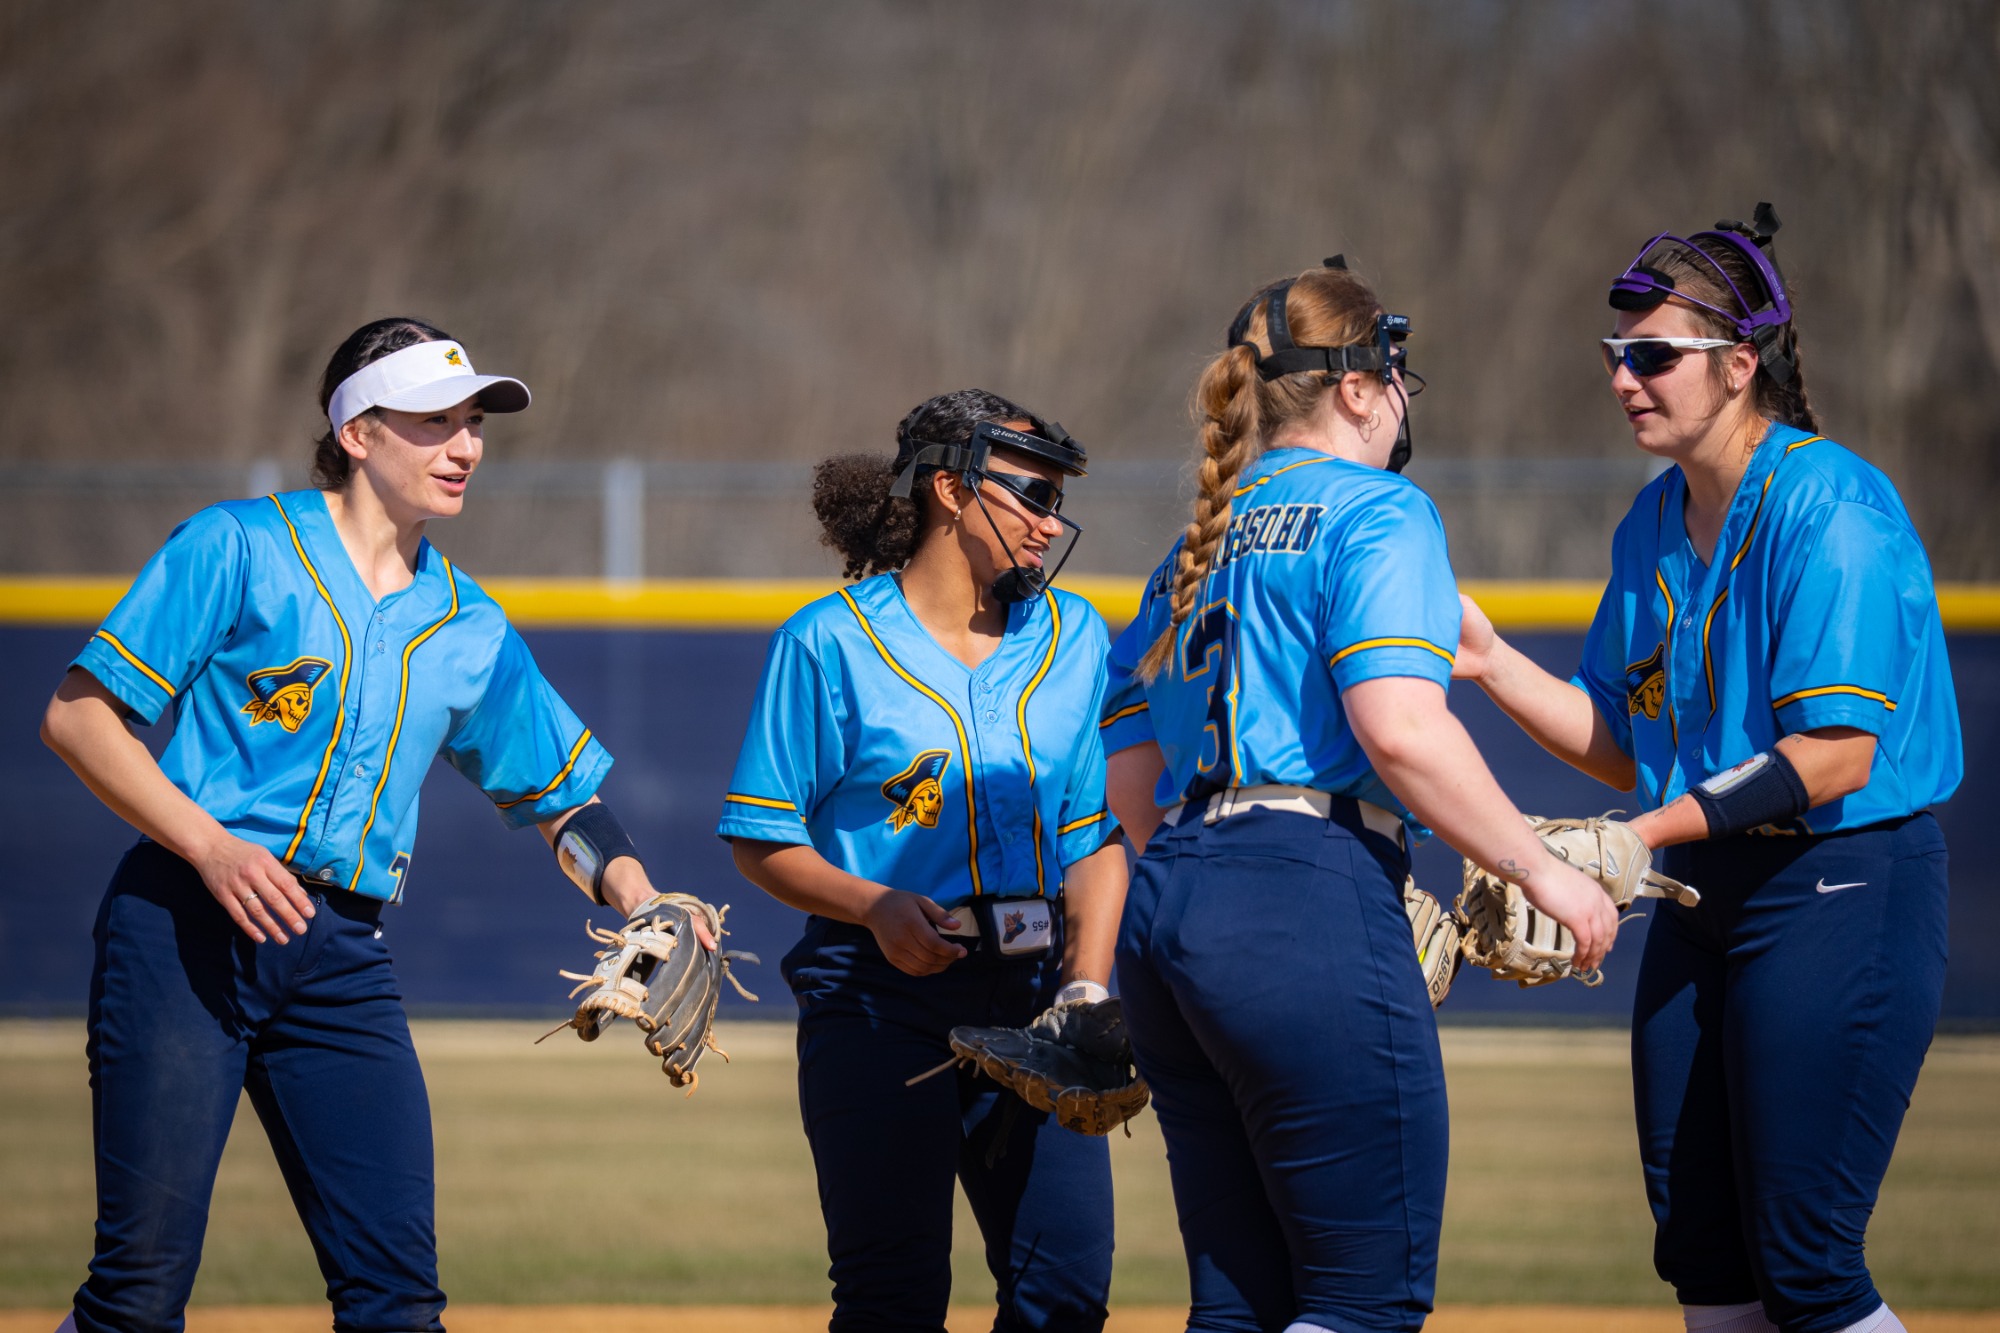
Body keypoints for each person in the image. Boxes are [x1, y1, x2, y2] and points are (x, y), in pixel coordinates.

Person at [40, 317, 691, 1333]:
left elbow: (559, 794)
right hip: (182, 925)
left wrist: (639, 896)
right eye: (434, 422)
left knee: (397, 1300)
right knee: (139, 1291)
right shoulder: (240, 546)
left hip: (336, 952)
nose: (465, 446)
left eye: (472, 423)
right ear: (357, 431)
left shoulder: (469, 623)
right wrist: (208, 842)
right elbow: (79, 716)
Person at [1452, 208, 1960, 1333]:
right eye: (1614, 357)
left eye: (1653, 356)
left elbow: (1832, 757)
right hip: (1703, 896)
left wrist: (1641, 835)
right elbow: (1618, 737)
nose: (1626, 378)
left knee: (1805, 1256)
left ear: (1739, 366)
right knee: (1702, 1250)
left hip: (1839, 882)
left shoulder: (1828, 504)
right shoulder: (1652, 522)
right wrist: (1485, 658)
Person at [1097, 261, 1619, 1333]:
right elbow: (1398, 730)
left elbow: (1128, 785)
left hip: (1170, 912)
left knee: (1238, 1306)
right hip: (1300, 889)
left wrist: (1218, 903)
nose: (1400, 397)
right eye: (1396, 373)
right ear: (1353, 386)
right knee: (1363, 1300)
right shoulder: (1378, 512)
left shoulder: (1178, 556)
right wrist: (1544, 869)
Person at [719, 389, 1128, 1332]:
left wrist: (1088, 988)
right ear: (951, 488)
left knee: (1065, 1296)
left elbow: (1095, 839)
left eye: (1057, 497)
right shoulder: (828, 641)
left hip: (1035, 998)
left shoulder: (1075, 638)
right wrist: (872, 905)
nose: (1050, 519)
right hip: (876, 995)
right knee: (893, 1297)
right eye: (1031, 491)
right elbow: (760, 835)